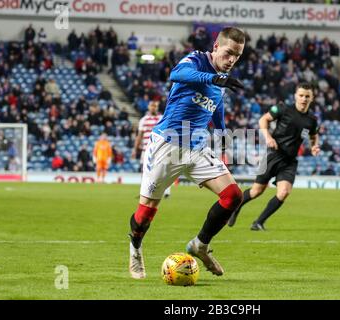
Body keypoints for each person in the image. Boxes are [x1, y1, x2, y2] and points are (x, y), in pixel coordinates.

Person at [128, 26, 246, 279]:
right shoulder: (196, 59)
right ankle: (135, 248)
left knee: (233, 196)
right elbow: (177, 73)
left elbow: (216, 105)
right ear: (216, 47)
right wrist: (214, 78)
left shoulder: (221, 78)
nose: (232, 60)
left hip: (197, 147)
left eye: (237, 56)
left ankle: (200, 245)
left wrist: (223, 134)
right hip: (167, 144)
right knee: (146, 212)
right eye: (228, 53)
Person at [228, 82, 320, 231]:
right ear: (296, 96)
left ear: (312, 98)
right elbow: (263, 120)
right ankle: (236, 208)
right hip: (274, 155)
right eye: (301, 95)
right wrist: (268, 137)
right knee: (256, 191)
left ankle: (258, 222)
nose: (304, 99)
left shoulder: (311, 120)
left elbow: (314, 135)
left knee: (284, 192)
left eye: (307, 96)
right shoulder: (283, 109)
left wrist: (315, 145)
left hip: (290, 161)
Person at [132, 100, 171, 198]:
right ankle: (144, 192)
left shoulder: (162, 118)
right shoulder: (143, 120)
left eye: (155, 105)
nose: (153, 107)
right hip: (146, 149)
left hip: (160, 149)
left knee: (164, 169)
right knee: (145, 170)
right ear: (148, 107)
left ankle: (166, 191)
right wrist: (135, 149)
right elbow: (139, 136)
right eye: (152, 105)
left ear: (157, 107)